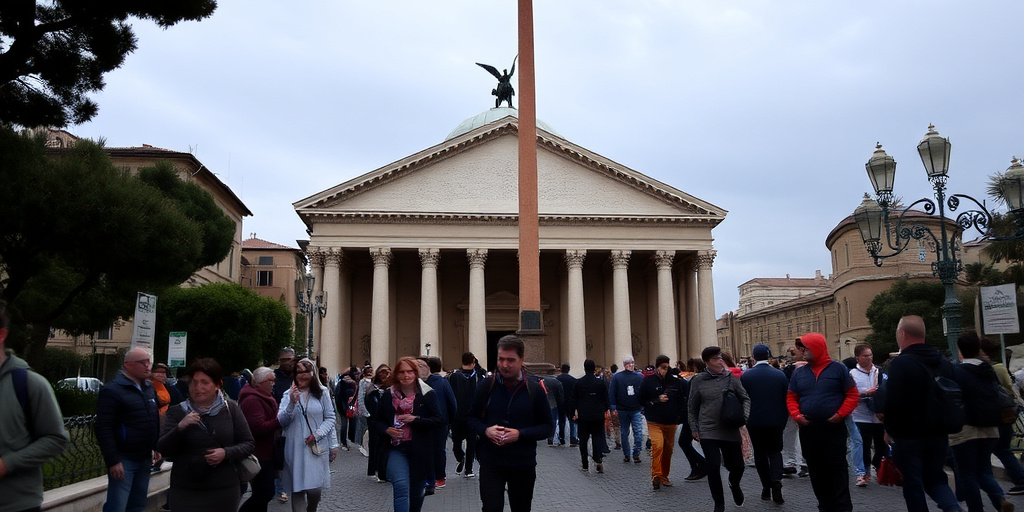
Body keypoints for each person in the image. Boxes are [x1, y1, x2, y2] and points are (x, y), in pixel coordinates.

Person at [881, 315, 962, 512]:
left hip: (908, 434)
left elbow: (892, 401)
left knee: (913, 484)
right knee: (936, 479)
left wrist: (889, 430)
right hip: (938, 433)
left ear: (902, 334)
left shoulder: (900, 364)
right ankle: (954, 508)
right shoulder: (943, 362)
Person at [467, 335, 554, 512]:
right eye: (501, 359)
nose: (505, 365)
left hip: (522, 463)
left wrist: (520, 434)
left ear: (522, 359)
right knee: (491, 508)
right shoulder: (486, 386)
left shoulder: (534, 389)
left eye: (511, 360)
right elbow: (470, 418)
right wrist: (486, 431)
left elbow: (547, 427)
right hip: (491, 462)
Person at [157, 358, 255, 511]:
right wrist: (180, 428)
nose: (198, 388)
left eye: (204, 382)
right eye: (194, 382)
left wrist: (226, 453)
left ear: (217, 385)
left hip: (223, 490)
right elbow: (162, 448)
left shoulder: (231, 409)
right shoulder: (177, 412)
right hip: (185, 491)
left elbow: (248, 444)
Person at [0, 302, 69, 512]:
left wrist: (7, 464)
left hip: (15, 505)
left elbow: (56, 438)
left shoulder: (29, 384)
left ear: (1, 335)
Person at [787, 333, 859, 512]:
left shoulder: (838, 369)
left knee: (837, 468)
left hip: (833, 427)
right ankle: (824, 506)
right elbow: (791, 397)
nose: (802, 351)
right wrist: (796, 415)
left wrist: (840, 414)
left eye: (805, 348)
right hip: (809, 427)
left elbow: (852, 394)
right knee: (816, 469)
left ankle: (842, 507)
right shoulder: (800, 372)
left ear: (817, 348)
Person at [951, 332, 1014, 512]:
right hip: (990, 427)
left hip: (966, 428)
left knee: (967, 474)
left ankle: (977, 508)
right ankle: (1000, 499)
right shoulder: (988, 370)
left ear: (960, 350)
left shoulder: (957, 372)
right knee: (983, 471)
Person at [370, 356, 441, 512]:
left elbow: (438, 420)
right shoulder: (389, 394)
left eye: (409, 372)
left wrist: (416, 419)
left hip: (420, 449)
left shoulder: (427, 394)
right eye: (401, 372)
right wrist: (387, 430)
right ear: (396, 374)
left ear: (416, 373)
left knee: (416, 493)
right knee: (401, 485)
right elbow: (377, 420)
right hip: (396, 448)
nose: (406, 375)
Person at [96, 348, 160, 512]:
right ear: (128, 365)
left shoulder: (148, 388)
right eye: (142, 362)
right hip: (124, 460)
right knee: (117, 506)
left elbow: (153, 419)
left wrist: (156, 446)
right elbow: (104, 427)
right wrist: (113, 460)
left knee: (138, 504)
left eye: (149, 362)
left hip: (144, 457)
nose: (147, 366)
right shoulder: (112, 390)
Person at [689, 346, 750, 512]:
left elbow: (745, 398)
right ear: (707, 362)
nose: (720, 361)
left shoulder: (732, 378)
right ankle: (719, 504)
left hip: (730, 428)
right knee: (713, 466)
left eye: (720, 358)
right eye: (715, 359)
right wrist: (694, 427)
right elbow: (692, 407)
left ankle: (734, 484)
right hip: (708, 430)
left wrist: (744, 417)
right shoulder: (698, 381)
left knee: (738, 466)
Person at [278, 358, 335, 512]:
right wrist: (291, 403)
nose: (302, 375)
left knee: (315, 490)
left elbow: (330, 418)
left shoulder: (322, 393)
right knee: (298, 488)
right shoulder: (287, 394)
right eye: (299, 372)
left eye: (306, 371)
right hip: (294, 448)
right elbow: (281, 421)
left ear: (312, 373)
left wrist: (318, 435)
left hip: (315, 448)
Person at [741, 344, 788, 503]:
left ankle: (766, 487)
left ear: (753, 357)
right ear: (768, 356)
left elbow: (743, 399)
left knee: (760, 453)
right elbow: (786, 398)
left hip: (755, 421)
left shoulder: (747, 376)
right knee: (775, 452)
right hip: (776, 421)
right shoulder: (780, 375)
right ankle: (776, 480)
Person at [980, 338, 1024, 496]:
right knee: (1001, 449)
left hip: (997, 415)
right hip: (1004, 414)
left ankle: (1020, 480)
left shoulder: (992, 368)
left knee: (1001, 449)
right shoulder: (998, 367)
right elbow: (1009, 388)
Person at [238, 367, 282, 512]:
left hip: (266, 452)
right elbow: (257, 427)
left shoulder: (263, 397)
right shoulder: (252, 400)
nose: (273, 384)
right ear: (261, 382)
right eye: (271, 380)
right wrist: (279, 422)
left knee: (264, 494)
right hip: (258, 454)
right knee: (264, 493)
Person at [640, 355, 685, 490]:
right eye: (662, 367)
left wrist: (679, 417)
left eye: (667, 367)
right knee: (657, 446)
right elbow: (641, 399)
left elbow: (681, 400)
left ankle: (664, 476)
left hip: (671, 422)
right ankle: (656, 475)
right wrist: (656, 400)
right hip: (654, 421)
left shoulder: (675, 382)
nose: (665, 370)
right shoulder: (648, 381)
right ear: (657, 368)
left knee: (668, 450)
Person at [850, 344, 885, 488]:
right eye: (865, 356)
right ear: (858, 358)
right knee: (863, 446)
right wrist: (865, 394)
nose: (869, 358)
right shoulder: (852, 374)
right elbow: (849, 395)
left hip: (879, 416)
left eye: (870, 355)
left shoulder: (879, 372)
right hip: (860, 416)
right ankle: (863, 473)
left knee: (881, 445)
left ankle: (877, 465)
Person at [568, 359, 609, 473]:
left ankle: (585, 464)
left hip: (583, 416)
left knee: (583, 440)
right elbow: (606, 400)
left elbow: (573, 400)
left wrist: (572, 413)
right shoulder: (600, 383)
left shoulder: (579, 383)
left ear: (584, 368)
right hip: (597, 415)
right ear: (594, 369)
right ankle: (597, 458)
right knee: (597, 437)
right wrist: (603, 409)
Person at [448, 352, 485, 478]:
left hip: (460, 415)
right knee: (470, 443)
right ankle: (468, 468)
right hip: (468, 414)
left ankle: (463, 461)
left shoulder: (454, 376)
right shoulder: (476, 376)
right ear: (474, 361)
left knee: (459, 441)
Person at [421, 356, 456, 489]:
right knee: (437, 450)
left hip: (431, 422)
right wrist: (449, 421)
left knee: (433, 450)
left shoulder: (435, 382)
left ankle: (436, 477)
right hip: (439, 422)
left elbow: (452, 403)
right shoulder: (443, 382)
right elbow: (452, 404)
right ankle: (437, 477)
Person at [608, 356, 644, 463]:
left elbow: (643, 392)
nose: (631, 365)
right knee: (629, 432)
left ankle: (632, 453)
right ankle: (631, 453)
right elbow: (612, 392)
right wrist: (613, 407)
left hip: (631, 408)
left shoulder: (638, 377)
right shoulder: (619, 377)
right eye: (629, 363)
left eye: (631, 363)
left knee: (632, 432)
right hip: (626, 409)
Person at [365, 364, 391, 480]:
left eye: (387, 373)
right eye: (382, 372)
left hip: (387, 420)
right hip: (374, 418)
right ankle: (373, 469)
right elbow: (366, 400)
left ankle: (384, 469)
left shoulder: (391, 388)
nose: (384, 375)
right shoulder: (372, 387)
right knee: (374, 443)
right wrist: (367, 414)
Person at [555, 363, 578, 446]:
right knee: (572, 421)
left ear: (561, 369)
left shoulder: (557, 379)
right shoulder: (573, 380)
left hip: (560, 402)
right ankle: (573, 439)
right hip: (570, 402)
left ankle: (561, 439)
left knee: (561, 421)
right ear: (568, 370)